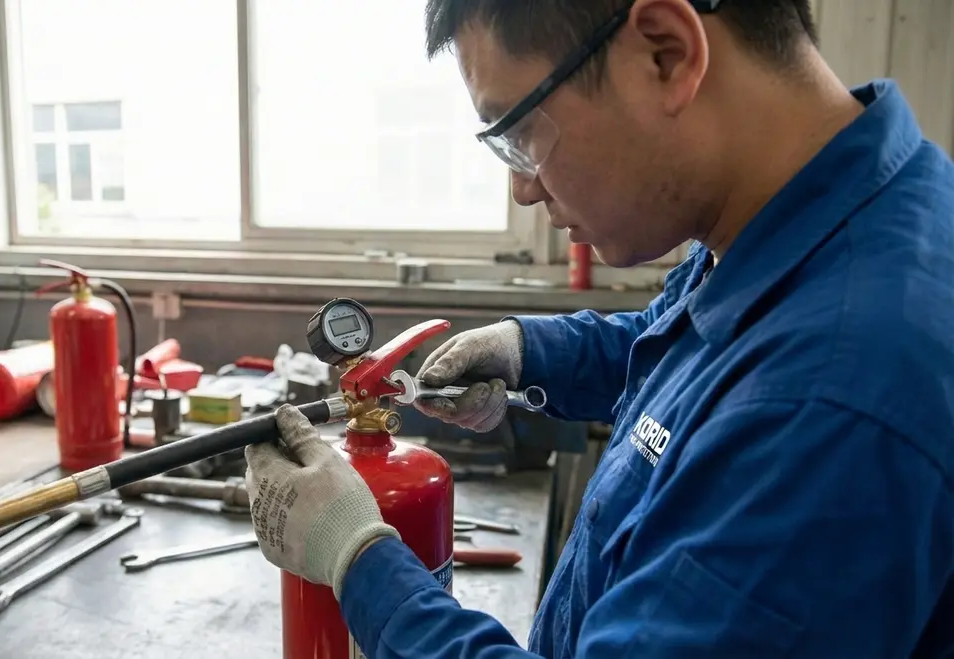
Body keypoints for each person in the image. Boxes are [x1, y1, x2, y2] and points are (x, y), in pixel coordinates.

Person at [244, 0, 954, 656]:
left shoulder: (835, 400)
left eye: (519, 132)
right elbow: (688, 355)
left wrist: (358, 558)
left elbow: (764, 392)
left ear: (666, 55)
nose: (522, 186)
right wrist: (529, 353)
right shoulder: (806, 223)